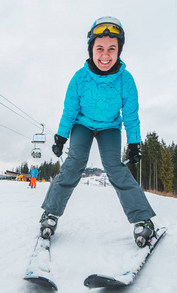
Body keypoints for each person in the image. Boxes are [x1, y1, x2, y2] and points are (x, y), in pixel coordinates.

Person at [39, 16, 157, 248]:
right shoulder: (80, 78)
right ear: (91, 49)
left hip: (110, 126)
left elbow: (131, 115)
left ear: (119, 51)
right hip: (83, 124)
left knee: (114, 167)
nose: (105, 55)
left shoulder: (126, 80)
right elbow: (70, 110)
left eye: (111, 49)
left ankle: (143, 219)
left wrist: (134, 143)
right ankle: (50, 214)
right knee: (74, 164)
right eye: (100, 48)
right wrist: (61, 136)